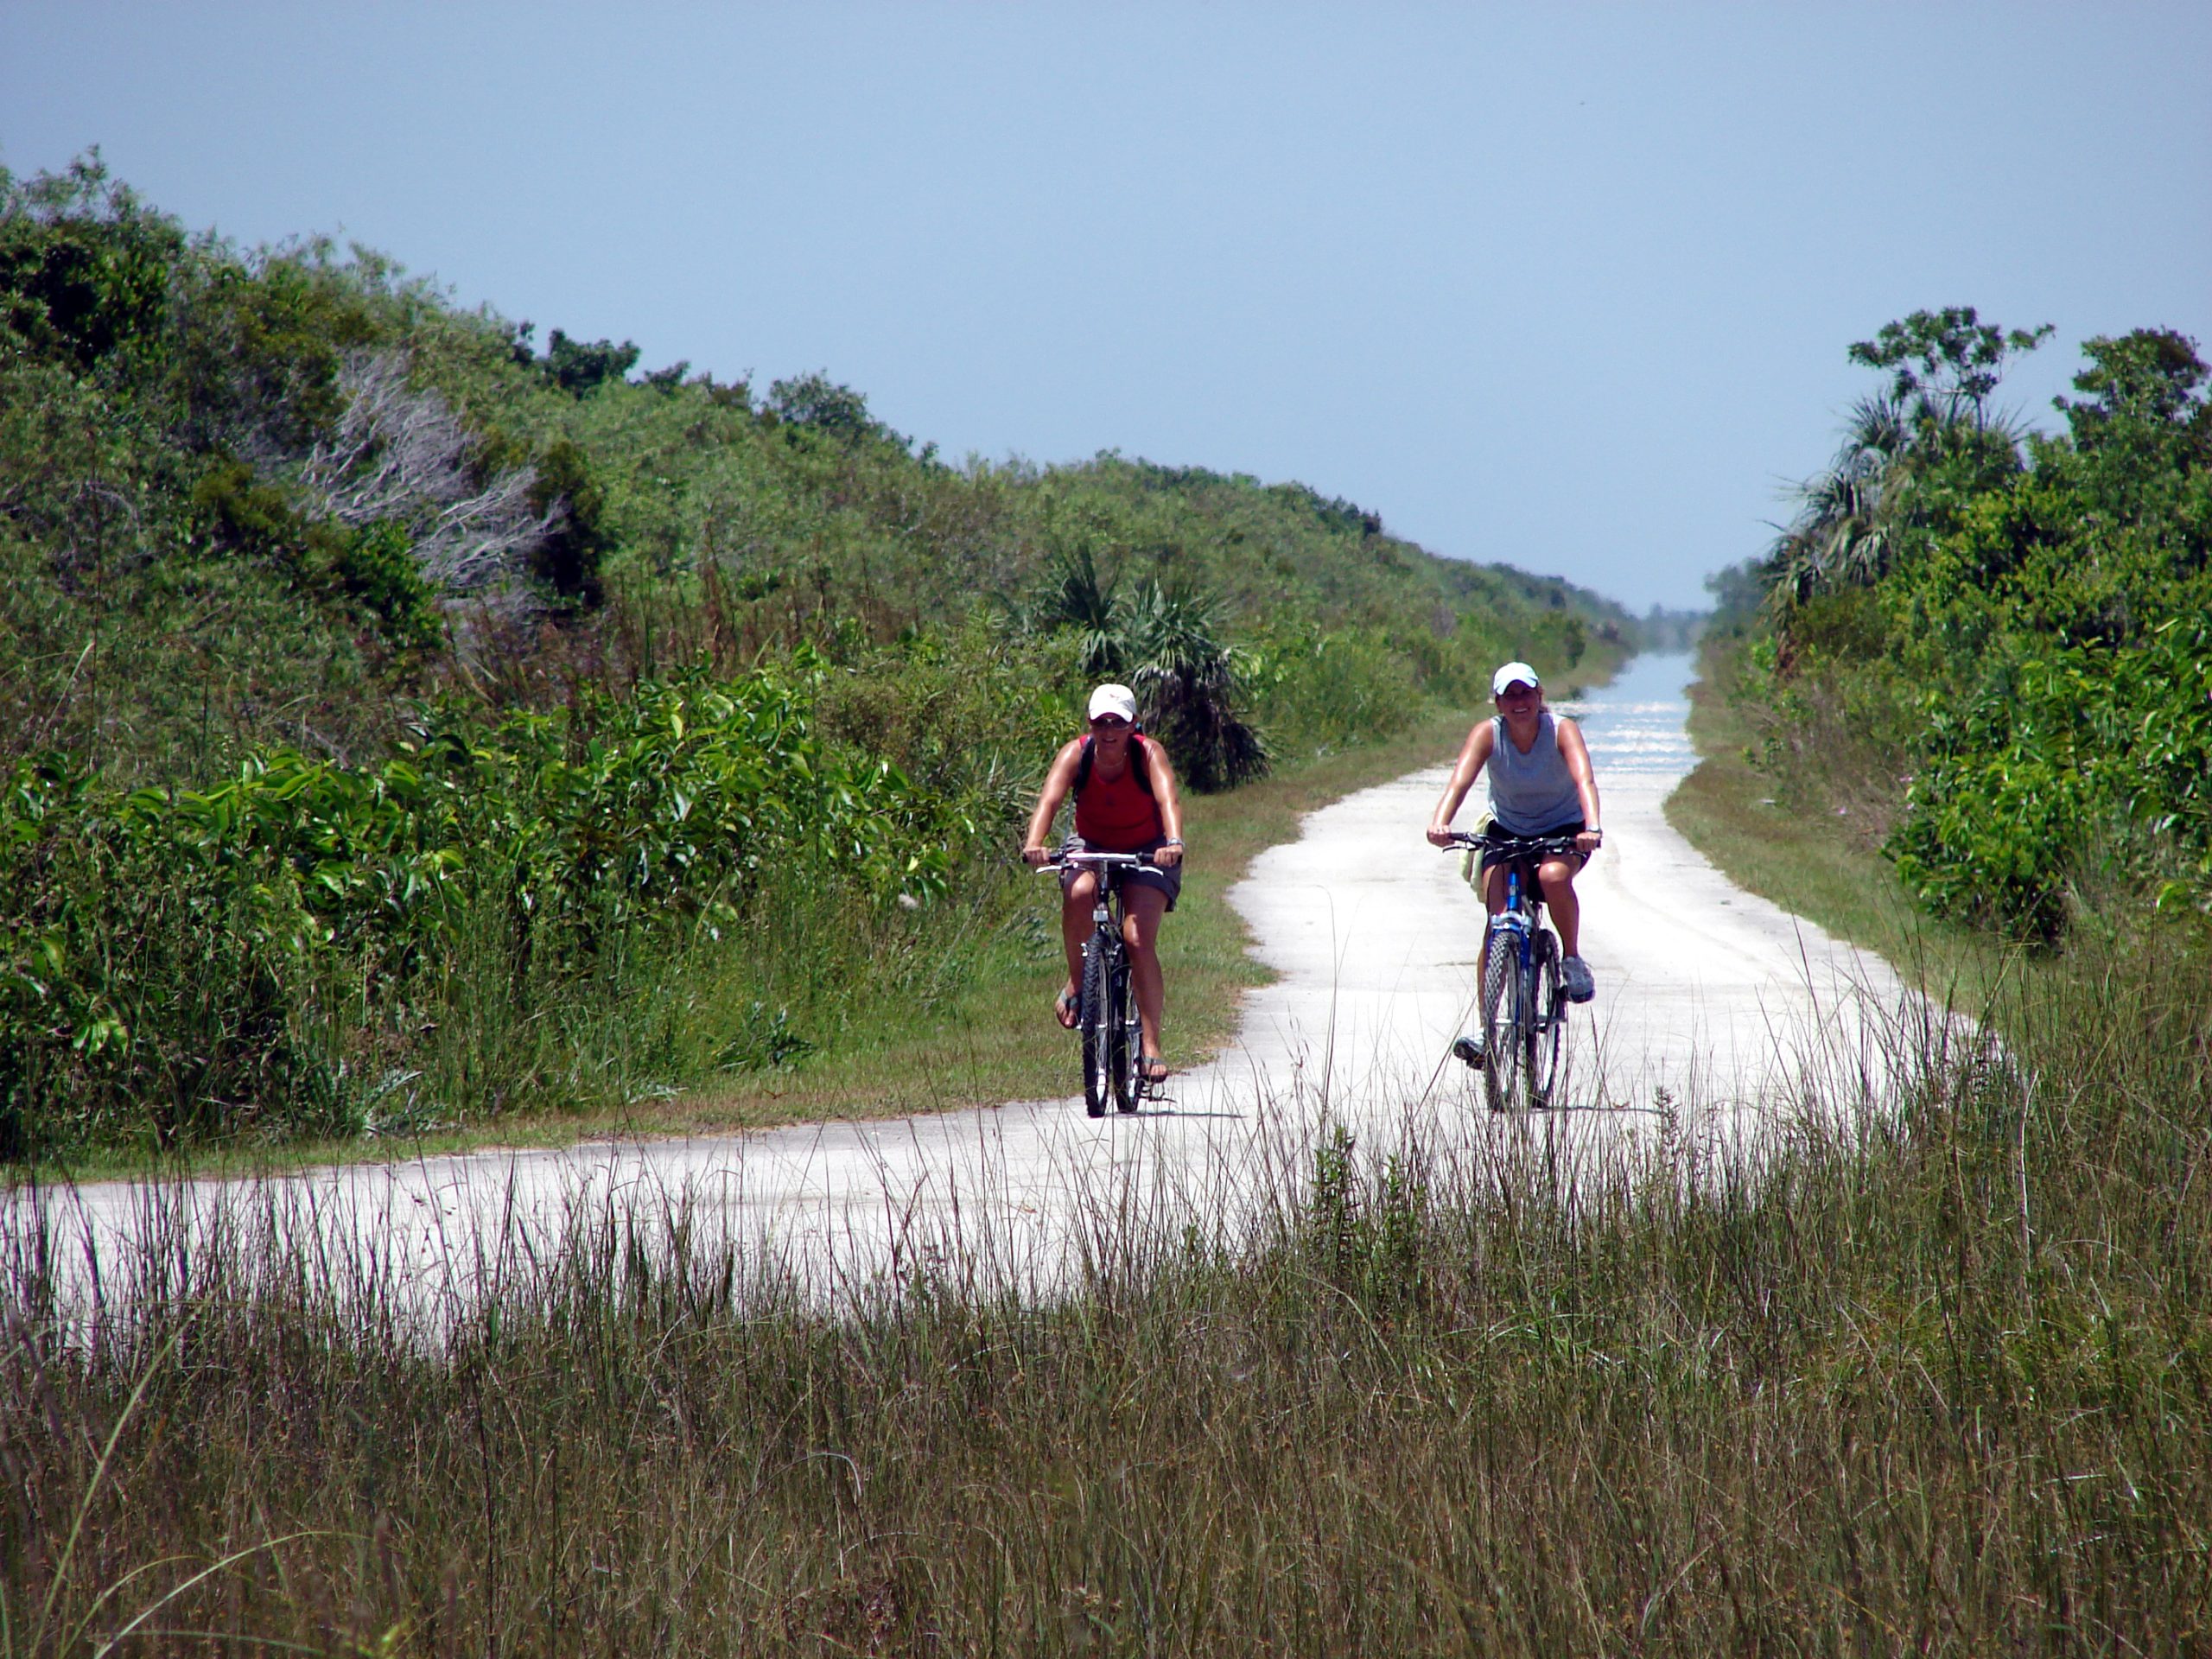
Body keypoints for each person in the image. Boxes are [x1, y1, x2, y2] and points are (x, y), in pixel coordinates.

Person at [1425, 660, 1603, 1066]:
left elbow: (1584, 780)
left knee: (1553, 876)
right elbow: (1459, 782)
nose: (1519, 702)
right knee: (1497, 919)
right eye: (1510, 695)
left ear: (1539, 696)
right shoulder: (1488, 733)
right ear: (1498, 702)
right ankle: (1486, 1030)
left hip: (1564, 829)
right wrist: (1440, 823)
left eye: (1526, 693)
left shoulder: (1561, 729)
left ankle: (1572, 959)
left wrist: (1591, 826)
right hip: (1507, 830)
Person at [1022, 683, 1186, 1084]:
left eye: (1117, 722)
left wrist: (1174, 843)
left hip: (1149, 849)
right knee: (1078, 893)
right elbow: (1049, 801)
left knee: (1136, 936)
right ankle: (1079, 980)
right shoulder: (1076, 754)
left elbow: (1169, 801)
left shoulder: (1148, 754)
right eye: (1100, 722)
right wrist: (1035, 843)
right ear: (1090, 724)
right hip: (1091, 844)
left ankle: (1149, 1045)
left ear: (1133, 725)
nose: (1108, 730)